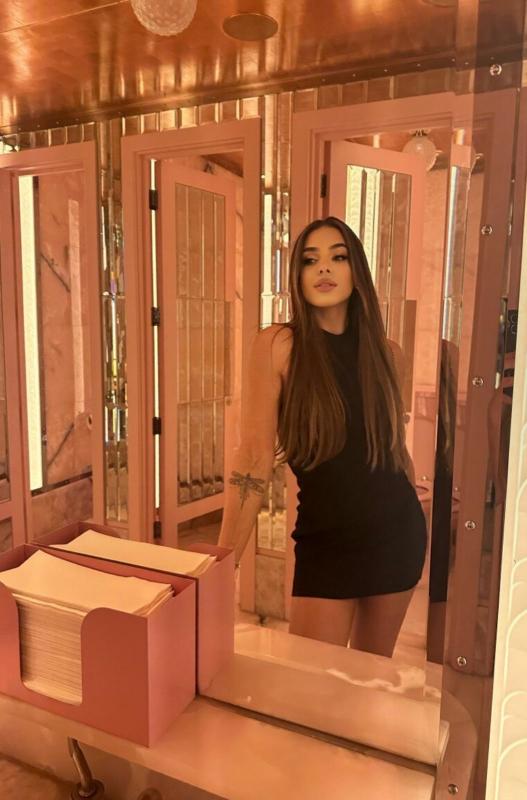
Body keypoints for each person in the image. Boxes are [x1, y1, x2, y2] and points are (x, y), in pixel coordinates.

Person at [218, 216, 427, 657]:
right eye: (310, 260)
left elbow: (394, 449)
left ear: (357, 271)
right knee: (314, 681)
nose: (324, 268)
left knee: (370, 677)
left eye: (338, 257)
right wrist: (223, 562)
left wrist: (419, 502)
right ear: (297, 276)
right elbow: (254, 456)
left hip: (396, 536)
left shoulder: (389, 354)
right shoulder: (278, 345)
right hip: (325, 542)